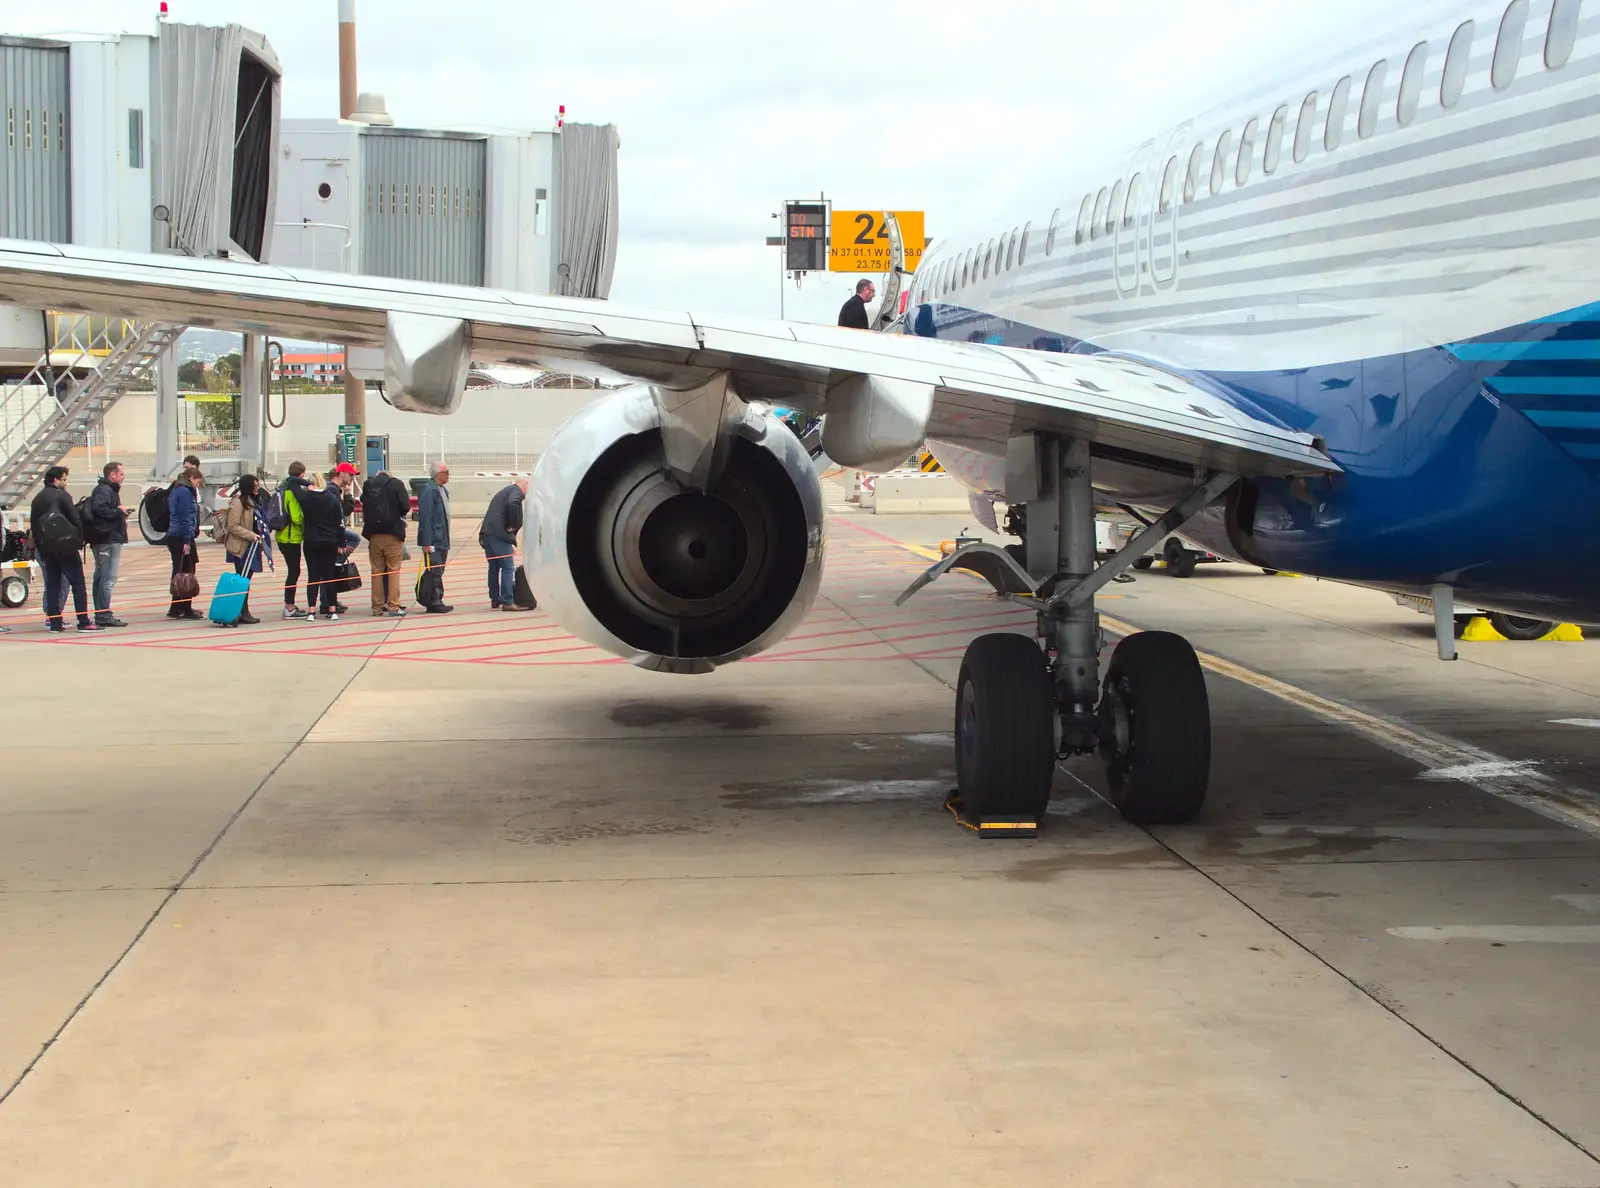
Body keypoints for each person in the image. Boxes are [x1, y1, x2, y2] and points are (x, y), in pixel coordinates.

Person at [29, 465, 98, 633]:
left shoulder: (37, 498)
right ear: (56, 480)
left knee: (52, 584)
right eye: (64, 479)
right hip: (66, 547)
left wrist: (41, 547)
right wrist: (78, 541)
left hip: (47, 548)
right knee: (78, 583)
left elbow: (34, 526)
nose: (66, 483)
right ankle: (83, 621)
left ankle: (55, 623)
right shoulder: (62, 496)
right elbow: (75, 519)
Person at [361, 468, 411, 617]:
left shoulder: (368, 485)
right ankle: (393, 606)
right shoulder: (396, 484)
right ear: (389, 475)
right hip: (393, 534)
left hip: (374, 534)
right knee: (393, 571)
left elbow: (363, 501)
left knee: (376, 571)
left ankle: (376, 607)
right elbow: (405, 506)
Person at [222, 473, 271, 625]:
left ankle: (242, 611)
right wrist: (251, 535)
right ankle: (239, 611)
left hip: (252, 547)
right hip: (241, 547)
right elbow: (233, 525)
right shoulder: (238, 503)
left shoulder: (254, 501)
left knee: (246, 581)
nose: (257, 488)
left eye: (258, 485)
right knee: (242, 581)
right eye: (254, 486)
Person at [296, 470, 346, 620]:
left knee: (313, 576)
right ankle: (332, 609)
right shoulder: (332, 499)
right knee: (329, 576)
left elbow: (292, 483)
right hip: (329, 541)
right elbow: (339, 523)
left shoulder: (305, 497)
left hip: (311, 540)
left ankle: (311, 611)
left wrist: (305, 485)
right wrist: (340, 542)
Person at [85, 460, 129, 627]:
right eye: (121, 474)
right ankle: (103, 614)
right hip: (107, 539)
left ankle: (101, 612)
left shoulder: (107, 490)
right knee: (107, 578)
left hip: (106, 538)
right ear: (113, 475)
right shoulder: (104, 490)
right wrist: (118, 512)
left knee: (101, 577)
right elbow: (99, 509)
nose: (123, 477)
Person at [479, 478, 529, 611]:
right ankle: (507, 601)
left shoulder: (505, 491)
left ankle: (495, 598)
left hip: (488, 533)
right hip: (499, 534)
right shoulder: (516, 491)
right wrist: (512, 526)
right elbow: (513, 504)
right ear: (525, 487)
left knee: (494, 566)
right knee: (508, 566)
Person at [165, 466, 204, 619]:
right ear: (192, 478)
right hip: (181, 536)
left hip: (175, 534)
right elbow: (185, 517)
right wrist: (187, 541)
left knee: (179, 571)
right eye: (197, 482)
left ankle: (176, 606)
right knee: (187, 572)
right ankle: (185, 607)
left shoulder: (176, 489)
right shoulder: (185, 492)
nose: (198, 486)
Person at [416, 460, 453, 613]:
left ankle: (437, 598)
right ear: (438, 475)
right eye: (446, 472)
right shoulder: (429, 491)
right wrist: (426, 542)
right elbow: (425, 518)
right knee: (434, 570)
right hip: (434, 539)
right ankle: (434, 600)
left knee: (439, 569)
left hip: (443, 537)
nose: (449, 475)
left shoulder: (442, 490)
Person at [274, 461, 310, 618]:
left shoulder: (280, 489)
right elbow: (296, 518)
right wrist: (307, 518)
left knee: (292, 570)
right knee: (294, 571)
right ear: (302, 475)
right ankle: (289, 606)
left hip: (281, 535)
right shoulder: (292, 493)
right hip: (291, 537)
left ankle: (289, 604)